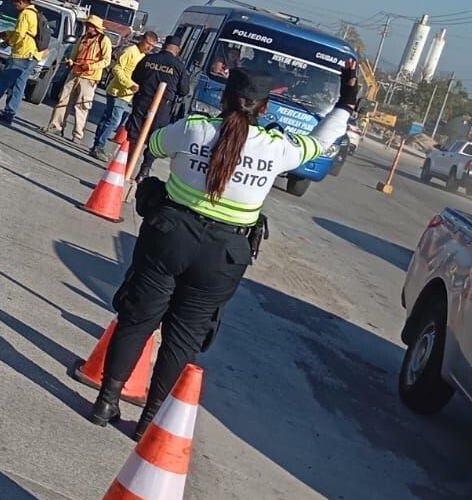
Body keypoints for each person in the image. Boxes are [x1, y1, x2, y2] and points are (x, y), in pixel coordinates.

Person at [88, 61, 361, 434]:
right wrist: (346, 100)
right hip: (225, 253)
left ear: (224, 97)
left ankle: (106, 402)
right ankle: (150, 420)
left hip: (169, 235)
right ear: (263, 108)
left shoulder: (194, 129)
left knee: (139, 318)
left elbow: (154, 144)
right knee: (182, 338)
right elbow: (321, 140)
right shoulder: (277, 147)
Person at [0, 0, 43, 125]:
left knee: (3, 81)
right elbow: (27, 32)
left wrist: (10, 41)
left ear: (21, 2)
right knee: (19, 85)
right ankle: (9, 114)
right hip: (32, 55)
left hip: (21, 53)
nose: (15, 8)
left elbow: (20, 33)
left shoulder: (25, 14)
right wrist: (7, 33)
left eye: (15, 5)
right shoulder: (35, 13)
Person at [126, 36, 188, 180]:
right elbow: (184, 91)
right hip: (163, 107)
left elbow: (135, 77)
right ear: (177, 50)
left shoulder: (148, 59)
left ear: (164, 45)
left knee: (135, 133)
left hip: (142, 101)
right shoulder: (179, 67)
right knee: (155, 138)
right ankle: (144, 170)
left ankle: (127, 162)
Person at [43, 16, 112, 143]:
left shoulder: (104, 40)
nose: (87, 27)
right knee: (63, 100)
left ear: (96, 28)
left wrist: (91, 66)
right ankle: (56, 126)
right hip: (74, 74)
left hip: (89, 78)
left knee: (82, 106)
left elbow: (106, 61)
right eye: (87, 25)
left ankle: (77, 134)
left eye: (90, 25)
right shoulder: (83, 38)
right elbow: (74, 54)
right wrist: (70, 61)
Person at [91, 30, 158, 158]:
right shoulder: (130, 51)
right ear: (142, 40)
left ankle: (97, 145)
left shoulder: (143, 56)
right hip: (118, 92)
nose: (149, 48)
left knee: (108, 119)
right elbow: (117, 69)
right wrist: (129, 84)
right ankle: (99, 146)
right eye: (148, 44)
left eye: (152, 46)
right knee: (114, 121)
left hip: (126, 94)